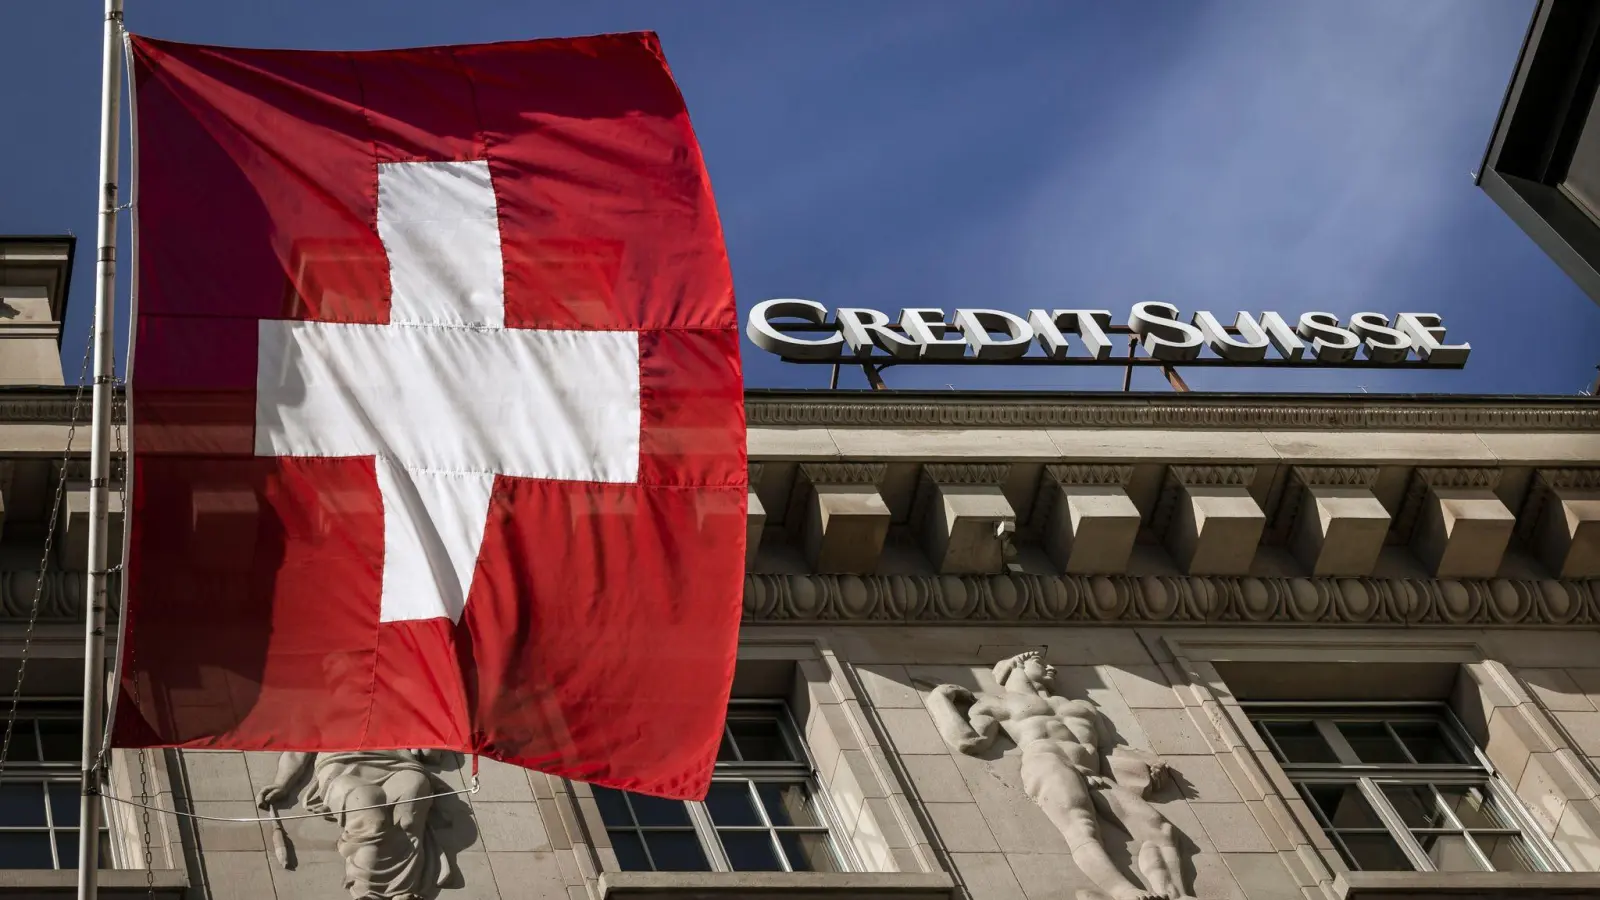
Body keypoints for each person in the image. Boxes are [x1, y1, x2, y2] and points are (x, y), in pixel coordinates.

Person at [927, 651, 1192, 900]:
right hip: (1047, 761)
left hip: (1092, 771)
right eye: (1041, 663)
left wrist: (1145, 763)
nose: (1051, 668)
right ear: (1017, 665)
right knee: (1081, 824)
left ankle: (1174, 893)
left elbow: (1106, 748)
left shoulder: (1080, 706)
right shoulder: (996, 703)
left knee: (1159, 828)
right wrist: (940, 699)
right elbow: (970, 741)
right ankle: (1123, 892)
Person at [256, 749, 451, 900]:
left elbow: (429, 754)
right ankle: (367, 890)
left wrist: (427, 737)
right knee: (370, 818)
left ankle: (403, 891)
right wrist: (282, 783)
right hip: (344, 767)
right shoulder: (320, 706)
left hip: (402, 767)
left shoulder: (399, 705)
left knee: (409, 817)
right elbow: (296, 752)